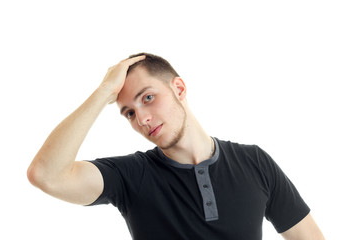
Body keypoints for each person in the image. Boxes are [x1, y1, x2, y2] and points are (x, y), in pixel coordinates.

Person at [27, 53, 324, 240]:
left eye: (147, 98)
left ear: (178, 88)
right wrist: (104, 91)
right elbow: (46, 175)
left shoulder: (254, 162)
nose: (141, 118)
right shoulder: (130, 176)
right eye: (129, 112)